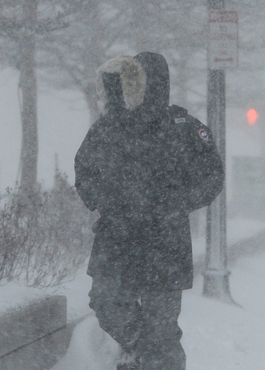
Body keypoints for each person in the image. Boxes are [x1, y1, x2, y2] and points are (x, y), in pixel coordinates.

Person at [74, 52, 224, 370]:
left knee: (163, 330)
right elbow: (84, 169)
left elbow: (212, 176)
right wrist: (107, 202)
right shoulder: (111, 126)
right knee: (106, 302)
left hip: (164, 244)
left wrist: (175, 203)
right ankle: (146, 354)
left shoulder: (182, 126)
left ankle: (148, 357)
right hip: (120, 238)